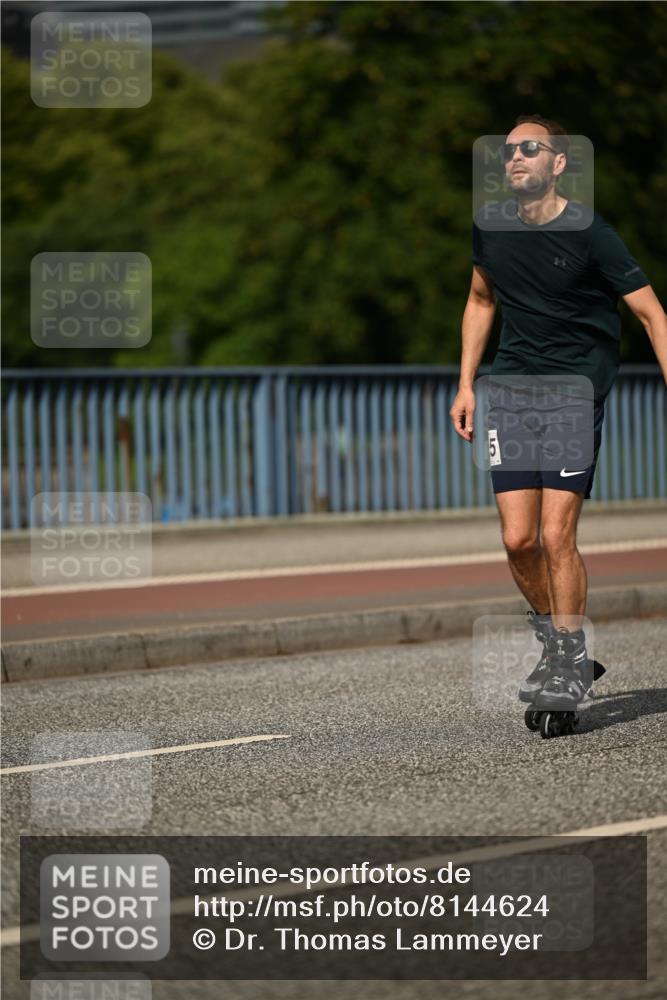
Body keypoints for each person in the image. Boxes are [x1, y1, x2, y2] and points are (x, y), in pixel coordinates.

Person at [450, 114, 667, 712]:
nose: (515, 157)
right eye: (509, 150)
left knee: (554, 534)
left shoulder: (591, 232)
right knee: (519, 540)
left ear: (559, 163)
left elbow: (653, 315)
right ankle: (562, 648)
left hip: (574, 392)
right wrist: (466, 384)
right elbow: (479, 299)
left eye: (530, 148)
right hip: (512, 392)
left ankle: (569, 657)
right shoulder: (490, 227)